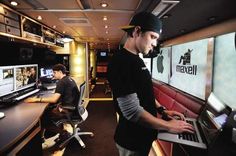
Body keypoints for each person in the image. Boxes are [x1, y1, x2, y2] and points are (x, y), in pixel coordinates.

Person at [107, 12, 194, 156]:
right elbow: (132, 111)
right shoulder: (120, 62)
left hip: (144, 136)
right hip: (131, 140)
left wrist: (162, 110)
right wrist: (168, 126)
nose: (155, 43)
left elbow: (144, 93)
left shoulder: (137, 60)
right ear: (137, 31)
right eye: (152, 37)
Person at [24, 63, 79, 149]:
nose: (53, 74)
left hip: (67, 110)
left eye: (54, 72)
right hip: (73, 108)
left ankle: (64, 133)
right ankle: (45, 137)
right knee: (48, 110)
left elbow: (54, 100)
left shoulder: (61, 82)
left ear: (60, 72)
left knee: (43, 118)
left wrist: (36, 99)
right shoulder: (69, 79)